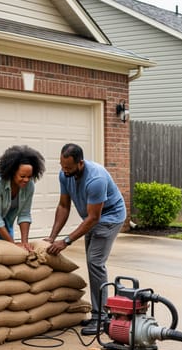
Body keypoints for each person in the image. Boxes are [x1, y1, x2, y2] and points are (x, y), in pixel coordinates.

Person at [45, 143, 126, 335]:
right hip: (92, 218)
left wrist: (66, 241)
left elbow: (94, 218)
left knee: (95, 262)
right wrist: (52, 237)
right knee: (92, 263)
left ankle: (101, 318)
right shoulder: (64, 175)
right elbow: (63, 206)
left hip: (110, 217)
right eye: (62, 166)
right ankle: (99, 313)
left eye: (68, 167)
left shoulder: (96, 179)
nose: (64, 171)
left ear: (80, 163)